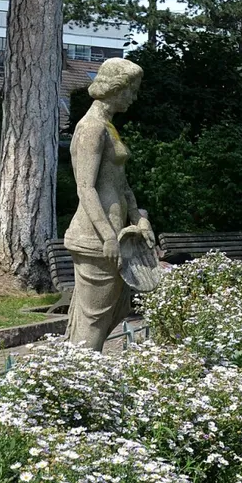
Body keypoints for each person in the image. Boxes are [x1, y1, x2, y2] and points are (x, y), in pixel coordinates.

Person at [65, 58, 154, 349]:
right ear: (114, 88)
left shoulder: (108, 127)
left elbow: (121, 183)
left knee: (116, 312)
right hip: (95, 238)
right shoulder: (91, 128)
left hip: (114, 236)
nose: (133, 97)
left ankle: (87, 379)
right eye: (131, 89)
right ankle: (80, 383)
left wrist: (137, 217)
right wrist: (108, 237)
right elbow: (85, 188)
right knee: (93, 323)